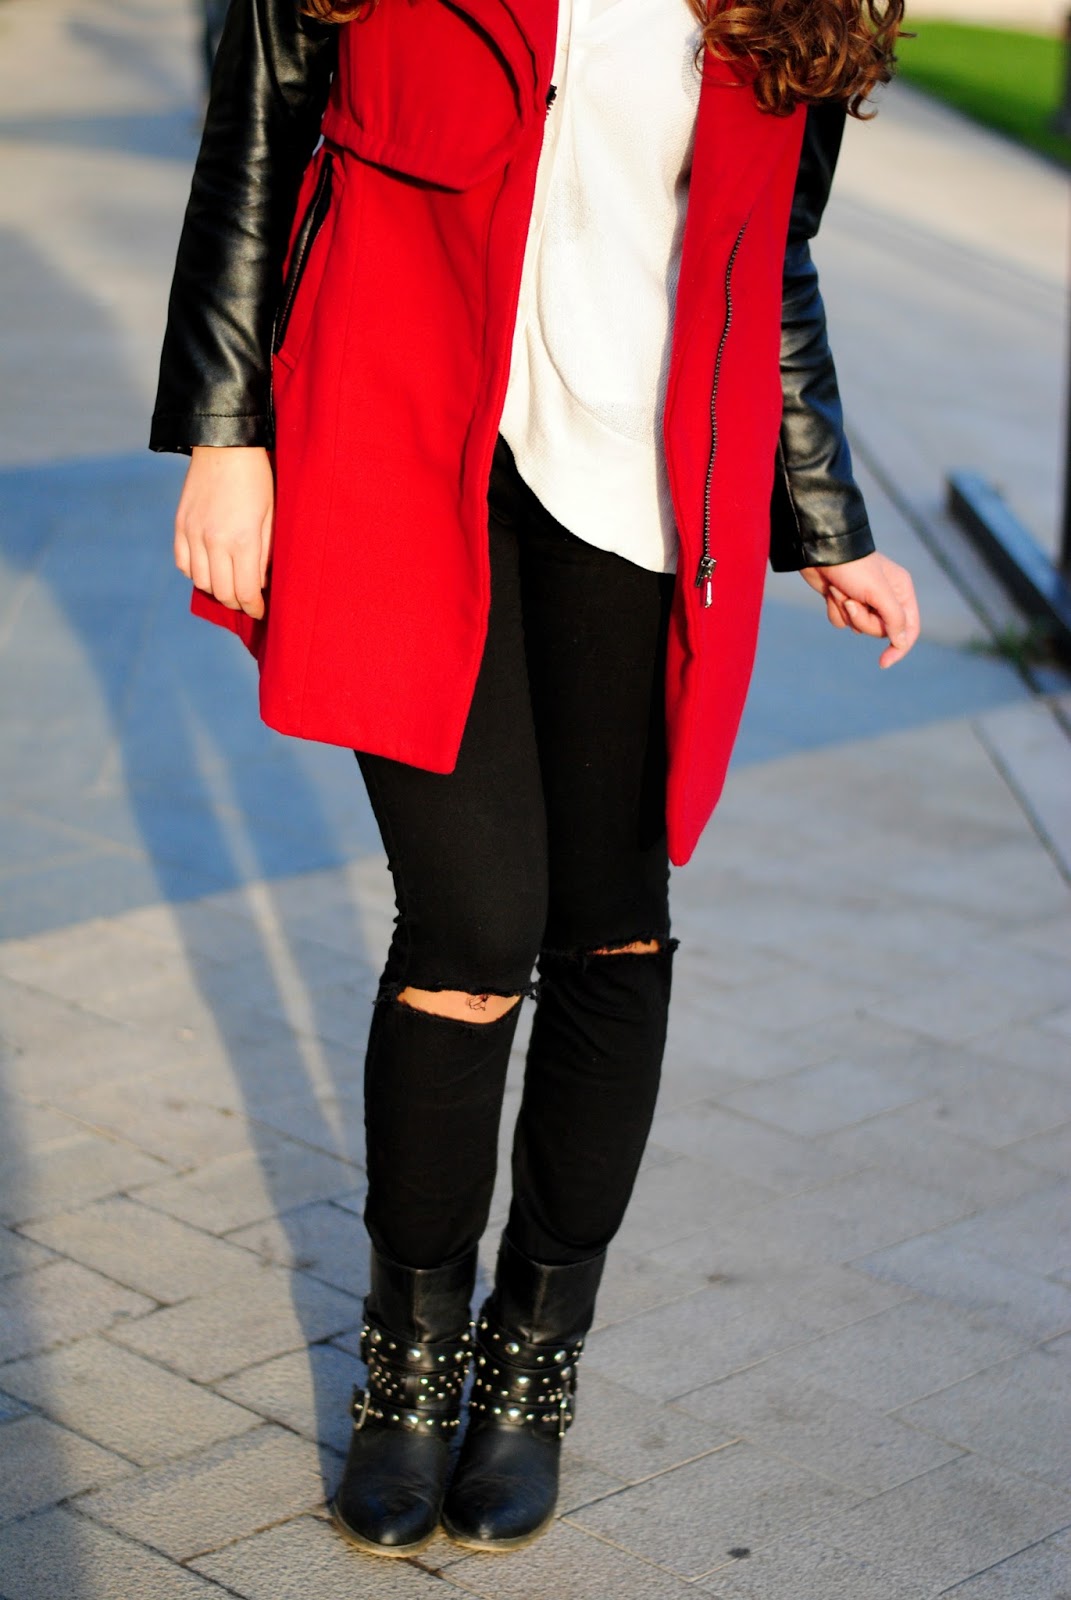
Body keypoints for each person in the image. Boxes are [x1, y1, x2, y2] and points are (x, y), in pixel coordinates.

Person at [151, 0, 920, 1560]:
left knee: (612, 931)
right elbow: (258, 144)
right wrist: (228, 437)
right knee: (470, 929)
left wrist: (826, 516)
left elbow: (774, 253)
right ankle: (407, 1369)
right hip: (400, 449)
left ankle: (531, 1365)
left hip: (647, 494)